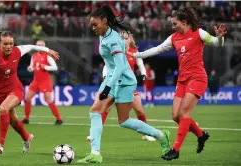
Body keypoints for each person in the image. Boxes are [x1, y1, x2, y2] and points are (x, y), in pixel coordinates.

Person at [128, 7, 226, 160]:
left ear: (185, 22)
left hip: (197, 78)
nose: (173, 27)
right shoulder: (174, 38)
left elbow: (217, 43)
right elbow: (157, 49)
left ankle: (175, 149)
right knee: (175, 116)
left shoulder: (198, 33)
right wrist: (135, 54)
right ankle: (201, 135)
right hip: (182, 80)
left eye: (175, 24)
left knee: (184, 113)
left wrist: (219, 37)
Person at [77, 5, 170, 164]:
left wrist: (107, 87)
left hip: (124, 81)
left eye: (95, 25)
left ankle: (161, 135)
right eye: (92, 25)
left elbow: (120, 66)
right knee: (95, 112)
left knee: (124, 121)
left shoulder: (113, 40)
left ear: (105, 21)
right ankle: (95, 153)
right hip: (113, 79)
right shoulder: (103, 34)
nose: (93, 28)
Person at [0, 31, 59, 154]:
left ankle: (0, 144)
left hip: (15, 89)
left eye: (11, 43)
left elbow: (32, 46)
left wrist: (48, 50)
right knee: (13, 121)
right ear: (0, 43)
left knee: (3, 109)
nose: (9, 47)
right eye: (6, 44)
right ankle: (26, 138)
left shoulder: (18, 50)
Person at [87, 33, 156, 142]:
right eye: (122, 37)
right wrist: (106, 77)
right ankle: (94, 134)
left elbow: (141, 64)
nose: (123, 39)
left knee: (139, 111)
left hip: (127, 86)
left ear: (130, 39)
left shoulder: (134, 52)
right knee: (105, 108)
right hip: (114, 84)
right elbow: (107, 65)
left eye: (126, 37)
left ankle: (146, 134)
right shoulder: (116, 50)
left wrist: (143, 74)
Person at [21, 40, 63, 125]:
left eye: (42, 45)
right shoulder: (34, 56)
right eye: (38, 45)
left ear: (44, 46)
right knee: (27, 98)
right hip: (36, 80)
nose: (40, 47)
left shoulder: (48, 56)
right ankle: (26, 118)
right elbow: (32, 67)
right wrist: (30, 68)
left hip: (45, 81)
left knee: (48, 100)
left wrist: (46, 67)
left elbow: (55, 67)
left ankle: (59, 119)